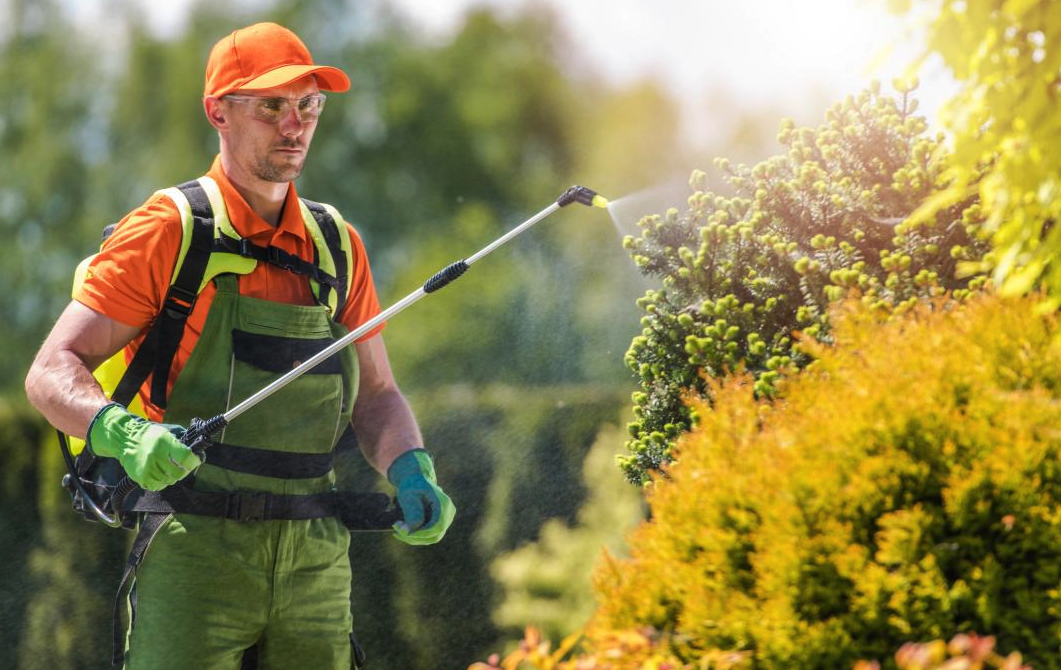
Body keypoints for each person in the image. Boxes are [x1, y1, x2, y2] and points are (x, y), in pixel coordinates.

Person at [24, 21, 455, 670]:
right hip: (192, 549)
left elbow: (378, 395)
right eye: (272, 106)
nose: (295, 124)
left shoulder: (337, 245)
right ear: (217, 112)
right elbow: (51, 370)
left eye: (309, 105)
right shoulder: (170, 230)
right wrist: (123, 434)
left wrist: (410, 466)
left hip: (316, 558)